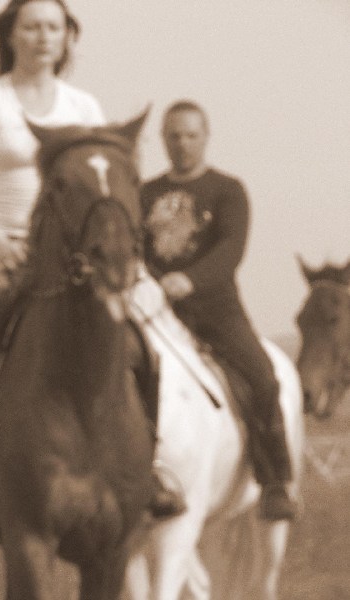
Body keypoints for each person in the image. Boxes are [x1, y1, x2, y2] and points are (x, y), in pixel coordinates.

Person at [0, 0, 179, 542]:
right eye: (31, 26)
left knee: (141, 347)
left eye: (53, 27)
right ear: (11, 35)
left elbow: (99, 187)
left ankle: (148, 470)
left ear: (68, 36)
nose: (42, 37)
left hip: (68, 259)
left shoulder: (83, 105)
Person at [140, 100, 297, 521]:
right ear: (163, 139)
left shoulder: (228, 190)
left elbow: (231, 249)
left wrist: (189, 279)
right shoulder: (145, 194)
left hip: (215, 308)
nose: (182, 143)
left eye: (191, 135)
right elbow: (136, 249)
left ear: (206, 137)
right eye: (174, 135)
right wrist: (151, 283)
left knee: (262, 377)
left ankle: (275, 482)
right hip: (155, 309)